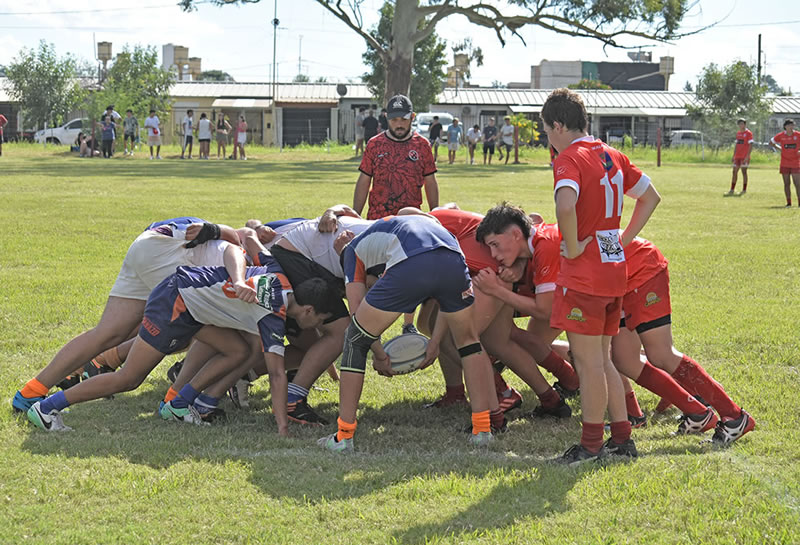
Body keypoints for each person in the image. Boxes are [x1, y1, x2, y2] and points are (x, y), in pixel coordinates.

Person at [27, 246, 335, 434]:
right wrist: (282, 426)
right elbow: (278, 375)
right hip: (175, 302)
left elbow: (239, 248)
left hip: (190, 307)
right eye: (319, 321)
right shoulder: (273, 314)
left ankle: (178, 405)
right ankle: (47, 408)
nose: (317, 327)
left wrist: (238, 281)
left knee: (239, 350)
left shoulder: (280, 278)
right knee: (129, 379)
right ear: (307, 309)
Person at [11, 218, 242, 414]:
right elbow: (241, 236)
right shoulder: (251, 247)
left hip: (149, 245)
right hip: (169, 252)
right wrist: (218, 232)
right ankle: (175, 401)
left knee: (107, 333)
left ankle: (30, 392)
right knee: (197, 332)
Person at [543, 88, 661, 464]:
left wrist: (575, 246)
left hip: (586, 274)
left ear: (559, 125)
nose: (548, 138)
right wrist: (623, 239)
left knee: (588, 361)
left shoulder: (569, 158)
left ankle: (592, 444)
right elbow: (651, 197)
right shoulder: (612, 154)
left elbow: (565, 204)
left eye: (547, 130)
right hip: (614, 269)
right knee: (604, 357)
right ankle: (622, 437)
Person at [318, 215, 499, 452]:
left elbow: (356, 314)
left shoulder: (352, 250)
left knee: (354, 340)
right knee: (468, 342)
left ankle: (344, 436)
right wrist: (434, 342)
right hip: (453, 257)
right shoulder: (415, 226)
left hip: (413, 260)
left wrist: (380, 355)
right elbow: (447, 305)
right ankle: (482, 430)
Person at [611, 237, 756, 444]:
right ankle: (698, 414)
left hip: (639, 267)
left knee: (660, 354)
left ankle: (734, 416)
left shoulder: (554, 240)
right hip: (617, 278)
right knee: (624, 359)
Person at [353, 94, 439, 221]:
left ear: (412, 117)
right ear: (386, 117)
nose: (399, 124)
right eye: (394, 120)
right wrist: (355, 217)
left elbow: (430, 181)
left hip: (411, 222)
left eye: (404, 119)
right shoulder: (374, 144)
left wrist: (435, 215)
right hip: (378, 221)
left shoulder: (422, 145)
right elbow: (364, 181)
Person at [770, 118, 800, 207]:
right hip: (784, 163)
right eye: (789, 125)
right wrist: (780, 149)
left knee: (797, 184)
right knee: (787, 183)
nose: (791, 127)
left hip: (795, 162)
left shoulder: (798, 135)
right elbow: (771, 143)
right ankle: (789, 202)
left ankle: (799, 203)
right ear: (785, 127)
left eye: (792, 125)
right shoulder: (781, 135)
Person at [728, 118, 753, 195]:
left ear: (745, 124)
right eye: (739, 124)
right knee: (734, 171)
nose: (741, 125)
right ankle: (732, 189)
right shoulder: (738, 133)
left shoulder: (748, 133)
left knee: (744, 172)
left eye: (742, 124)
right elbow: (737, 145)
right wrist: (733, 155)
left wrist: (747, 156)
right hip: (737, 156)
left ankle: (744, 189)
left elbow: (751, 145)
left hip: (744, 156)